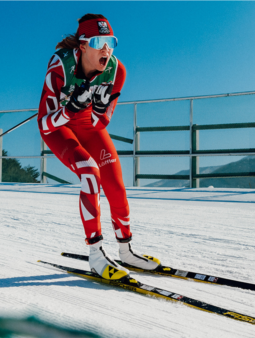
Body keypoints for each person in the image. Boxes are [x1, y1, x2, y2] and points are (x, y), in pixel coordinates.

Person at [37, 14, 160, 280]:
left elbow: (100, 121)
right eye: (98, 41)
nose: (106, 49)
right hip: (60, 128)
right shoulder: (60, 65)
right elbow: (45, 124)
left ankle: (126, 251)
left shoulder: (117, 71)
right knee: (90, 171)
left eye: (110, 42)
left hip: (90, 128)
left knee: (115, 183)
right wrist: (69, 109)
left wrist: (99, 108)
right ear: (82, 46)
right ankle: (95, 255)